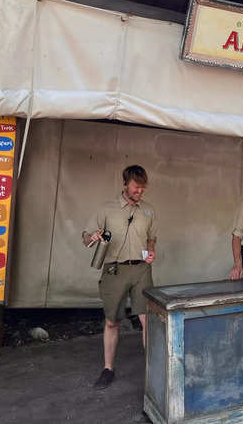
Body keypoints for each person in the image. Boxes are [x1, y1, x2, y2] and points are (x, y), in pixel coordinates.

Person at [81, 165, 157, 390]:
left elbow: (152, 237)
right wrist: (93, 236)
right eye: (136, 187)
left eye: (143, 187)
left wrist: (151, 250)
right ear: (125, 184)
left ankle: (153, 370)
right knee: (112, 320)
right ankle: (108, 369)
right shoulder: (106, 209)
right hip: (115, 270)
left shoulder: (149, 210)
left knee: (147, 319)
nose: (140, 191)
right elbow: (85, 238)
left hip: (142, 269)